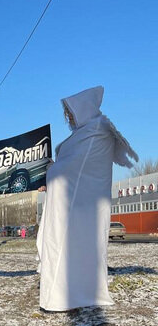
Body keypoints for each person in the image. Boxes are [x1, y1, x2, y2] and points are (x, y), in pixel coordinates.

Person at [36, 86, 138, 311]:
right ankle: (80, 293)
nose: (69, 119)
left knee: (67, 246)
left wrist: (50, 170)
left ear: (82, 109)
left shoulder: (95, 132)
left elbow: (73, 168)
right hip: (82, 202)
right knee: (83, 248)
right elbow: (74, 165)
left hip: (79, 204)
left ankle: (60, 298)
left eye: (71, 114)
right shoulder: (92, 131)